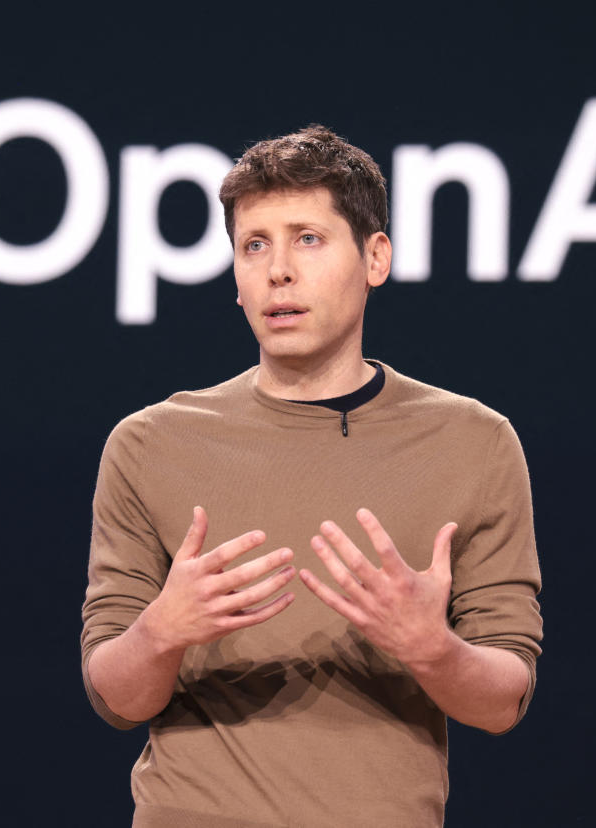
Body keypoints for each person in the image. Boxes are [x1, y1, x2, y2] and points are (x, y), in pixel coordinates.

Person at [81, 125, 542, 827]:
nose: (277, 271)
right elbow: (116, 699)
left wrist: (432, 648)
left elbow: (503, 701)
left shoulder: (474, 443)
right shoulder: (151, 443)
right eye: (253, 245)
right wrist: (162, 632)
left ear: (375, 257)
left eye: (308, 238)